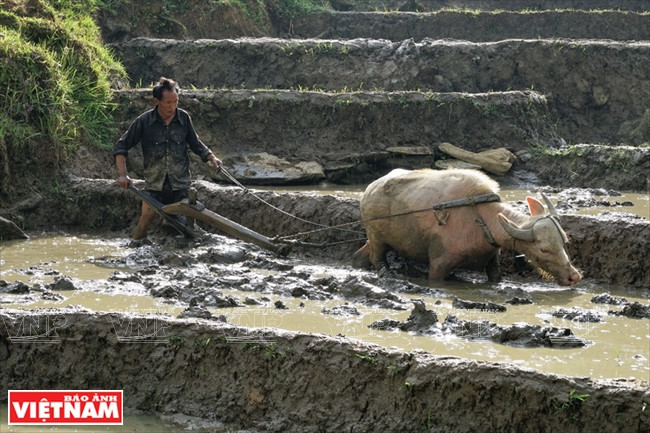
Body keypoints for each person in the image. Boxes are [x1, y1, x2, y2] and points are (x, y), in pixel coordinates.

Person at [113, 77, 222, 239]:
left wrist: (211, 157)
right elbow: (121, 147)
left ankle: (183, 256)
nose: (173, 106)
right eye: (168, 103)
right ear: (157, 101)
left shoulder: (183, 118)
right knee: (146, 220)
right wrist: (123, 174)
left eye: (175, 102)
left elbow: (195, 143)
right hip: (154, 185)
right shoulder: (144, 122)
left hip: (180, 184)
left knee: (185, 225)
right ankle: (133, 248)